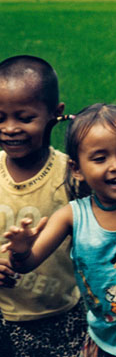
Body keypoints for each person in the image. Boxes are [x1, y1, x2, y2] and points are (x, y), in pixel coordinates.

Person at [2, 103, 116, 357]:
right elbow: (27, 263)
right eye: (100, 158)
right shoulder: (72, 216)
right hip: (106, 342)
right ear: (76, 169)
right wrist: (21, 251)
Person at [0, 56, 87, 356]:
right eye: (0, 117)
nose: (10, 128)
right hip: (3, 318)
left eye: (24, 118)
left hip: (63, 315)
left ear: (55, 113)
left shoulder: (72, 175)